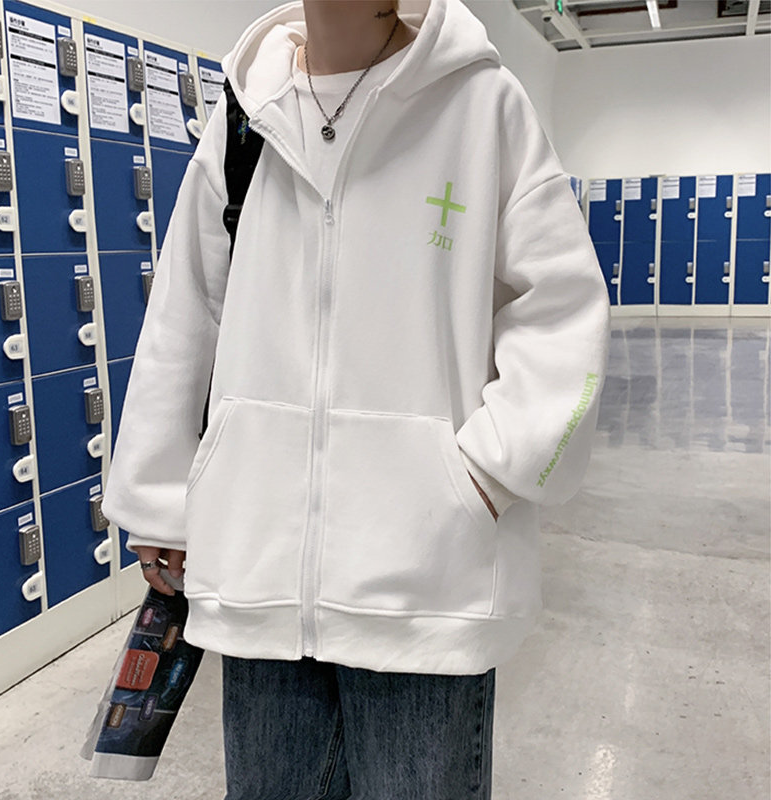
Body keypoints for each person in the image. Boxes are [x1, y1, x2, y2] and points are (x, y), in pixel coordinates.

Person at [100, 0, 611, 796]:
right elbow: (186, 311)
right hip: (260, 570)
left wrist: (484, 475)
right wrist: (161, 498)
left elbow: (562, 311)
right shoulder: (246, 116)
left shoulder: (481, 104)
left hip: (425, 586)